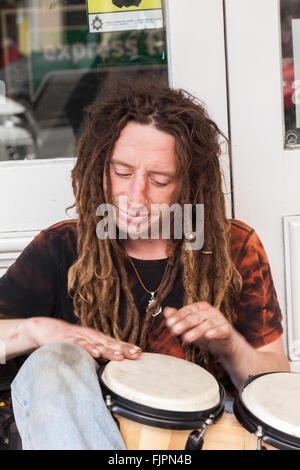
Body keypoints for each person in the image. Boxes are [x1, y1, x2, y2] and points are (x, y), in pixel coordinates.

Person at [0, 79, 289, 450]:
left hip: (192, 443)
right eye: (122, 172)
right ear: (99, 167)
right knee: (52, 361)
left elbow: (276, 385)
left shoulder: (233, 246)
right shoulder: (62, 247)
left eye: (159, 179)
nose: (135, 196)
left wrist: (229, 345)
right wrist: (37, 331)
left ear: (187, 183)